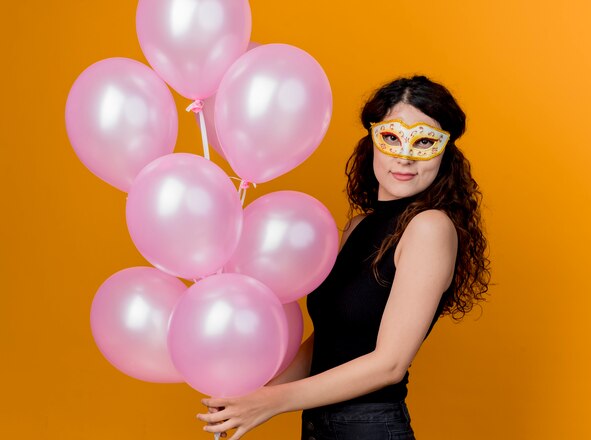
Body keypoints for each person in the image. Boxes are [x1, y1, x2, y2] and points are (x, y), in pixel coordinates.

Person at [197, 75, 491, 439]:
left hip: (369, 428)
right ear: (373, 139)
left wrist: (271, 403)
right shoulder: (357, 227)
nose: (404, 156)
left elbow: (390, 364)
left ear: (445, 152)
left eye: (425, 142)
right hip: (320, 427)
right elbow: (329, 339)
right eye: (391, 138)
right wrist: (252, 398)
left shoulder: (429, 228)